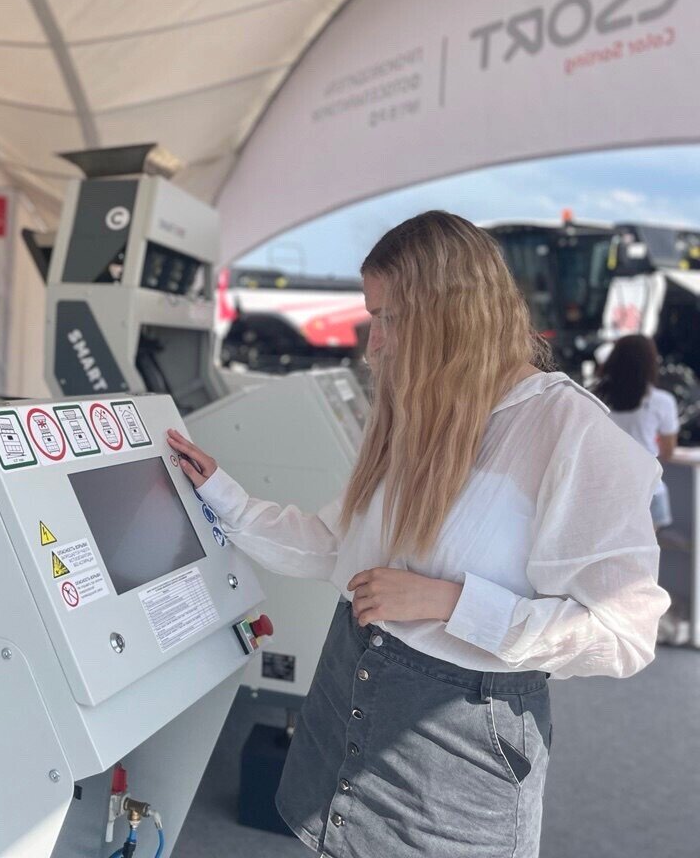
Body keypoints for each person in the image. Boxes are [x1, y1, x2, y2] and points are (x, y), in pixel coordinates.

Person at [167, 211, 669, 858]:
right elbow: (334, 544)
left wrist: (449, 603)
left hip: (451, 766)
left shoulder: (572, 434)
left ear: (453, 313)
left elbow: (624, 635)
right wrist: (221, 496)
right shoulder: (422, 413)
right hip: (344, 718)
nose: (372, 346)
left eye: (390, 318)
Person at [597, 334, 680, 530]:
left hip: (606, 490)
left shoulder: (595, 398)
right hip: (648, 488)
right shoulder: (662, 402)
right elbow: (668, 452)